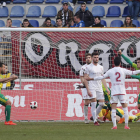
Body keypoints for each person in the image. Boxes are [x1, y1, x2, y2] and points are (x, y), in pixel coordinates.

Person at [89, 56, 140, 129]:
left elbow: (101, 77)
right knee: (125, 109)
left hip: (114, 93)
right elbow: (133, 72)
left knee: (113, 109)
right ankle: (126, 125)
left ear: (114, 63)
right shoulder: (123, 70)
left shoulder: (110, 71)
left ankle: (114, 126)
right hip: (122, 92)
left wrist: (91, 78)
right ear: (120, 63)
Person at [84, 52, 110, 126]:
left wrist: (106, 88)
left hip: (99, 87)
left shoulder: (101, 67)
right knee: (94, 103)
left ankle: (94, 116)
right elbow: (85, 79)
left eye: (97, 57)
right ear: (92, 58)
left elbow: (103, 78)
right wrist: (88, 89)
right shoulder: (88, 67)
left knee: (101, 104)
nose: (96, 58)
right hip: (92, 87)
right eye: (95, 57)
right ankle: (95, 120)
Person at [78, 53, 92, 123]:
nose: (88, 59)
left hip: (93, 86)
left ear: (91, 58)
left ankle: (95, 117)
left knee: (94, 102)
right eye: (87, 58)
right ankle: (86, 118)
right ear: (85, 59)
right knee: (87, 102)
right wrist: (84, 84)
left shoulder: (94, 67)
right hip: (86, 87)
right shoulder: (83, 67)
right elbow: (81, 77)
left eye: (89, 57)